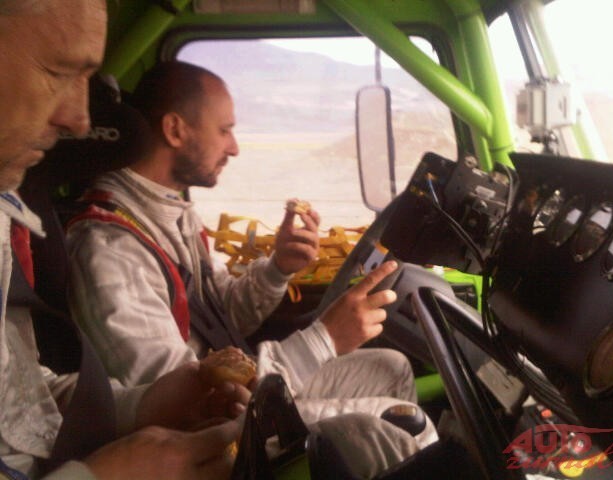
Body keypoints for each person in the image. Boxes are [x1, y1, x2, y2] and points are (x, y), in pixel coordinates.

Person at [66, 61, 437, 448]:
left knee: (391, 368)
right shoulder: (110, 251)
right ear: (175, 130)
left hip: (238, 393)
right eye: (224, 130)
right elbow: (190, 405)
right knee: (409, 425)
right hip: (211, 431)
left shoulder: (171, 215)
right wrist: (324, 339)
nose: (235, 147)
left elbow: (224, 316)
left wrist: (278, 269)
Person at [0, 2, 251, 479]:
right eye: (58, 72)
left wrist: (143, 407)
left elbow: (19, 407)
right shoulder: (107, 240)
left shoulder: (4, 212)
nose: (80, 120)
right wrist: (103, 475)